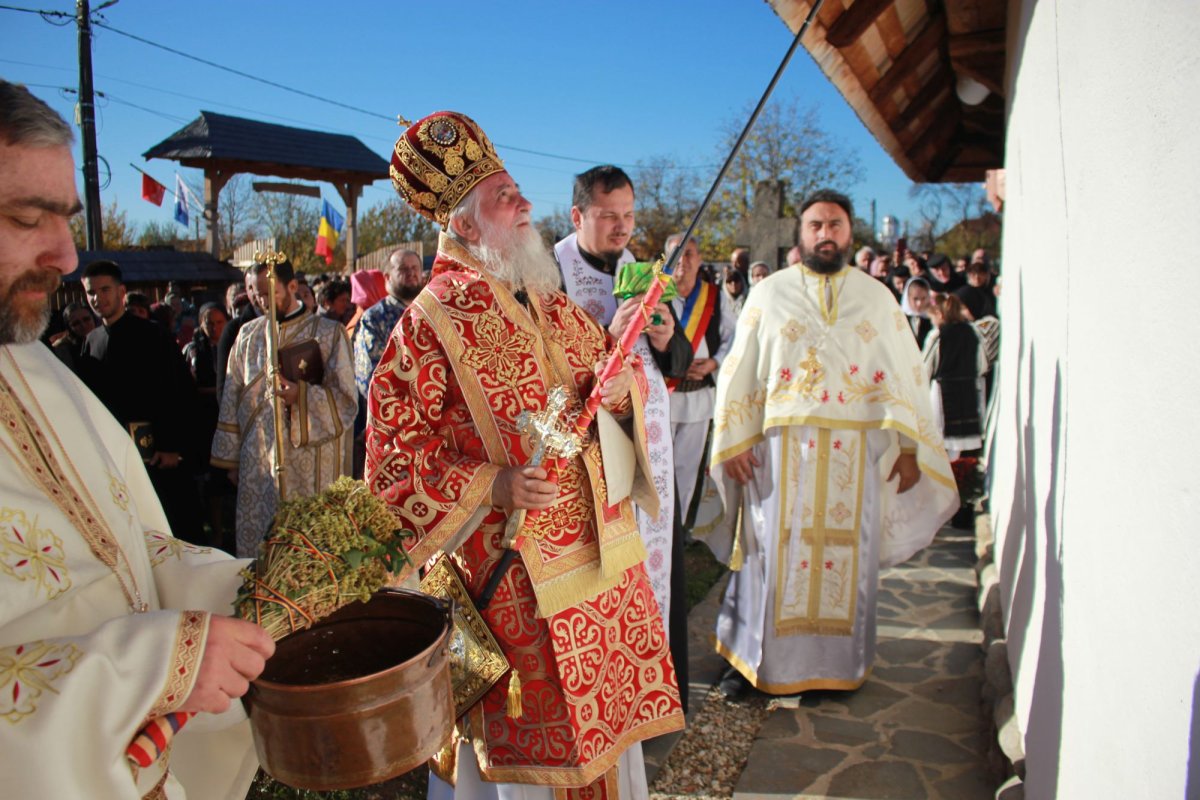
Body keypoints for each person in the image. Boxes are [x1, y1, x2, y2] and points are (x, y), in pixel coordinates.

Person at [370, 111, 684, 798]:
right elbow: (393, 459)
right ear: (463, 223)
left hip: (600, 576)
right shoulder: (428, 324)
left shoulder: (551, 302)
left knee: (607, 751)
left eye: (518, 191)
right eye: (505, 196)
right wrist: (492, 485)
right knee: (527, 768)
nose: (526, 206)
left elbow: (614, 392)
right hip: (513, 590)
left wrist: (625, 365)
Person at [0, 77, 273, 800]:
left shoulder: (32, 368)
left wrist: (255, 593)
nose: (68, 258)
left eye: (68, 218)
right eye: (30, 218)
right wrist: (156, 666)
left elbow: (129, 549)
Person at [707, 188, 958, 699]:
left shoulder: (876, 298)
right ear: (801, 234)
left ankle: (838, 667)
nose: (826, 234)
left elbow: (906, 378)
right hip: (779, 450)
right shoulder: (770, 293)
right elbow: (740, 371)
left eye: (836, 225)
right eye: (817, 225)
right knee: (768, 553)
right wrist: (733, 441)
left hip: (854, 450)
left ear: (850, 232)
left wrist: (911, 451)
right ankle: (754, 665)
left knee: (847, 557)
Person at [554, 164, 692, 710]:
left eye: (629, 216)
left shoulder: (642, 268)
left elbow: (677, 361)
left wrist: (663, 338)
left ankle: (659, 690)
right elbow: (545, 368)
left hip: (649, 444)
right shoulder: (550, 273)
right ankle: (608, 694)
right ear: (577, 215)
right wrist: (606, 338)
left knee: (655, 560)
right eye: (609, 216)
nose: (622, 229)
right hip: (592, 450)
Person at [211, 258, 357, 557]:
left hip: (311, 458)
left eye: (268, 292)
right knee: (261, 552)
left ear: (292, 286)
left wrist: (301, 396)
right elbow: (231, 396)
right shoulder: (247, 335)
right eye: (254, 291)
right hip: (258, 461)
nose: (260, 300)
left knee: (311, 551)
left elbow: (345, 400)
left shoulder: (329, 332)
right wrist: (232, 460)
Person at [80, 259, 205, 544]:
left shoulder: (153, 335)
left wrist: (174, 446)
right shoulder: (91, 342)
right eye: (91, 293)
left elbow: (178, 392)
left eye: (105, 290)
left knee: (174, 532)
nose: (98, 298)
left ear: (121, 291)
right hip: (115, 456)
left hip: (159, 454)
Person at [667, 232, 736, 522]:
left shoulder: (714, 296)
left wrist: (714, 363)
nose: (683, 259)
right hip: (664, 395)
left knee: (685, 467)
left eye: (690, 253)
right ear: (666, 259)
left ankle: (677, 529)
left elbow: (733, 337)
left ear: (700, 260)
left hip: (697, 396)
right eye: (677, 253)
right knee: (658, 467)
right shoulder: (656, 293)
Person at [184, 302, 231, 550]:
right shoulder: (193, 350)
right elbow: (189, 387)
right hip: (205, 421)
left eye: (219, 322)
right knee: (212, 479)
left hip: (228, 418)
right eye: (209, 323)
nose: (214, 328)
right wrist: (218, 391)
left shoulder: (234, 346)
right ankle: (216, 530)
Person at [924, 293, 986, 459]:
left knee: (939, 437)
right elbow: (982, 364)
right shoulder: (973, 332)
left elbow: (927, 366)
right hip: (968, 389)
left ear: (939, 314)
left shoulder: (938, 335)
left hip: (943, 389)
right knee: (958, 443)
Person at [49, 301, 94, 375]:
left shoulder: (105, 340)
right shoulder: (64, 351)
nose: (83, 326)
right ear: (69, 328)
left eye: (86, 319)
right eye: (76, 323)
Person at [899, 276, 934, 349]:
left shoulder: (933, 319)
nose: (919, 303)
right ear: (907, 297)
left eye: (923, 298)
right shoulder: (900, 319)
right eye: (915, 299)